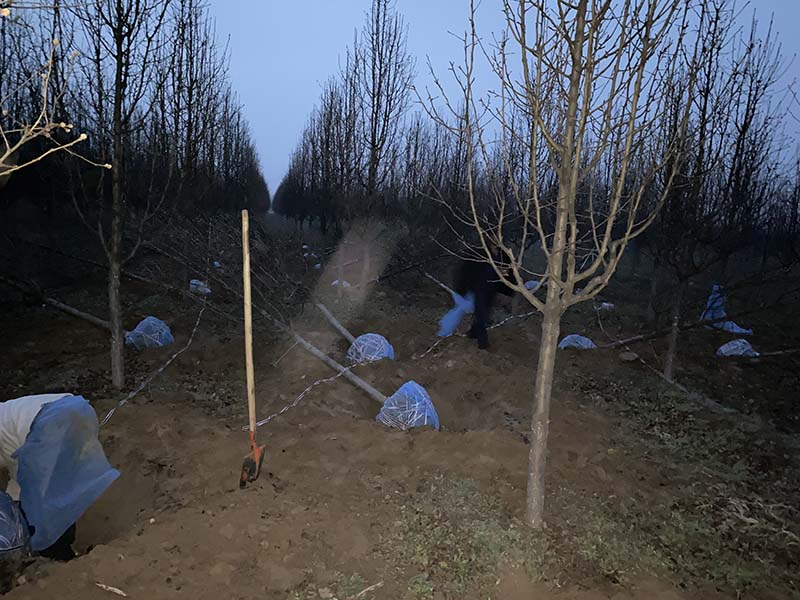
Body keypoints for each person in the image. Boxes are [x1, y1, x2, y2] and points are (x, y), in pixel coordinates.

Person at [0, 393, 119, 561]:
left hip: (50, 421)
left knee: (40, 501)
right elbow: (18, 468)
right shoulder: (8, 417)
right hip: (78, 410)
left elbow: (21, 475)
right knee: (57, 493)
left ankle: (54, 555)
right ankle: (61, 553)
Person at [453, 245, 515, 349]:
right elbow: (467, 270)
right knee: (481, 314)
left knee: (483, 313)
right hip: (480, 288)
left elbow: (509, 272)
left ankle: (473, 333)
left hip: (491, 289)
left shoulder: (503, 254)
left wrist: (509, 288)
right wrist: (462, 288)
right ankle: (483, 342)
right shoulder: (479, 252)